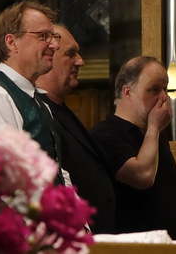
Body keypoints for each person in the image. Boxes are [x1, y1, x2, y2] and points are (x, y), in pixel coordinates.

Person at [0, 0, 65, 184]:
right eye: (43, 36)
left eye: (54, 37)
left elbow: (56, 170)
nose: (54, 45)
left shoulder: (39, 100)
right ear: (12, 42)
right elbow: (5, 182)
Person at [90, 56, 176, 240]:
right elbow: (142, 176)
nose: (164, 97)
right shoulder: (105, 134)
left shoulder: (155, 135)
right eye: (154, 89)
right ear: (127, 92)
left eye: (165, 89)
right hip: (134, 247)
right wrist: (154, 128)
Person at [36, 24, 116, 234]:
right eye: (71, 54)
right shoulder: (38, 114)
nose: (81, 61)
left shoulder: (62, 109)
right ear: (48, 56)